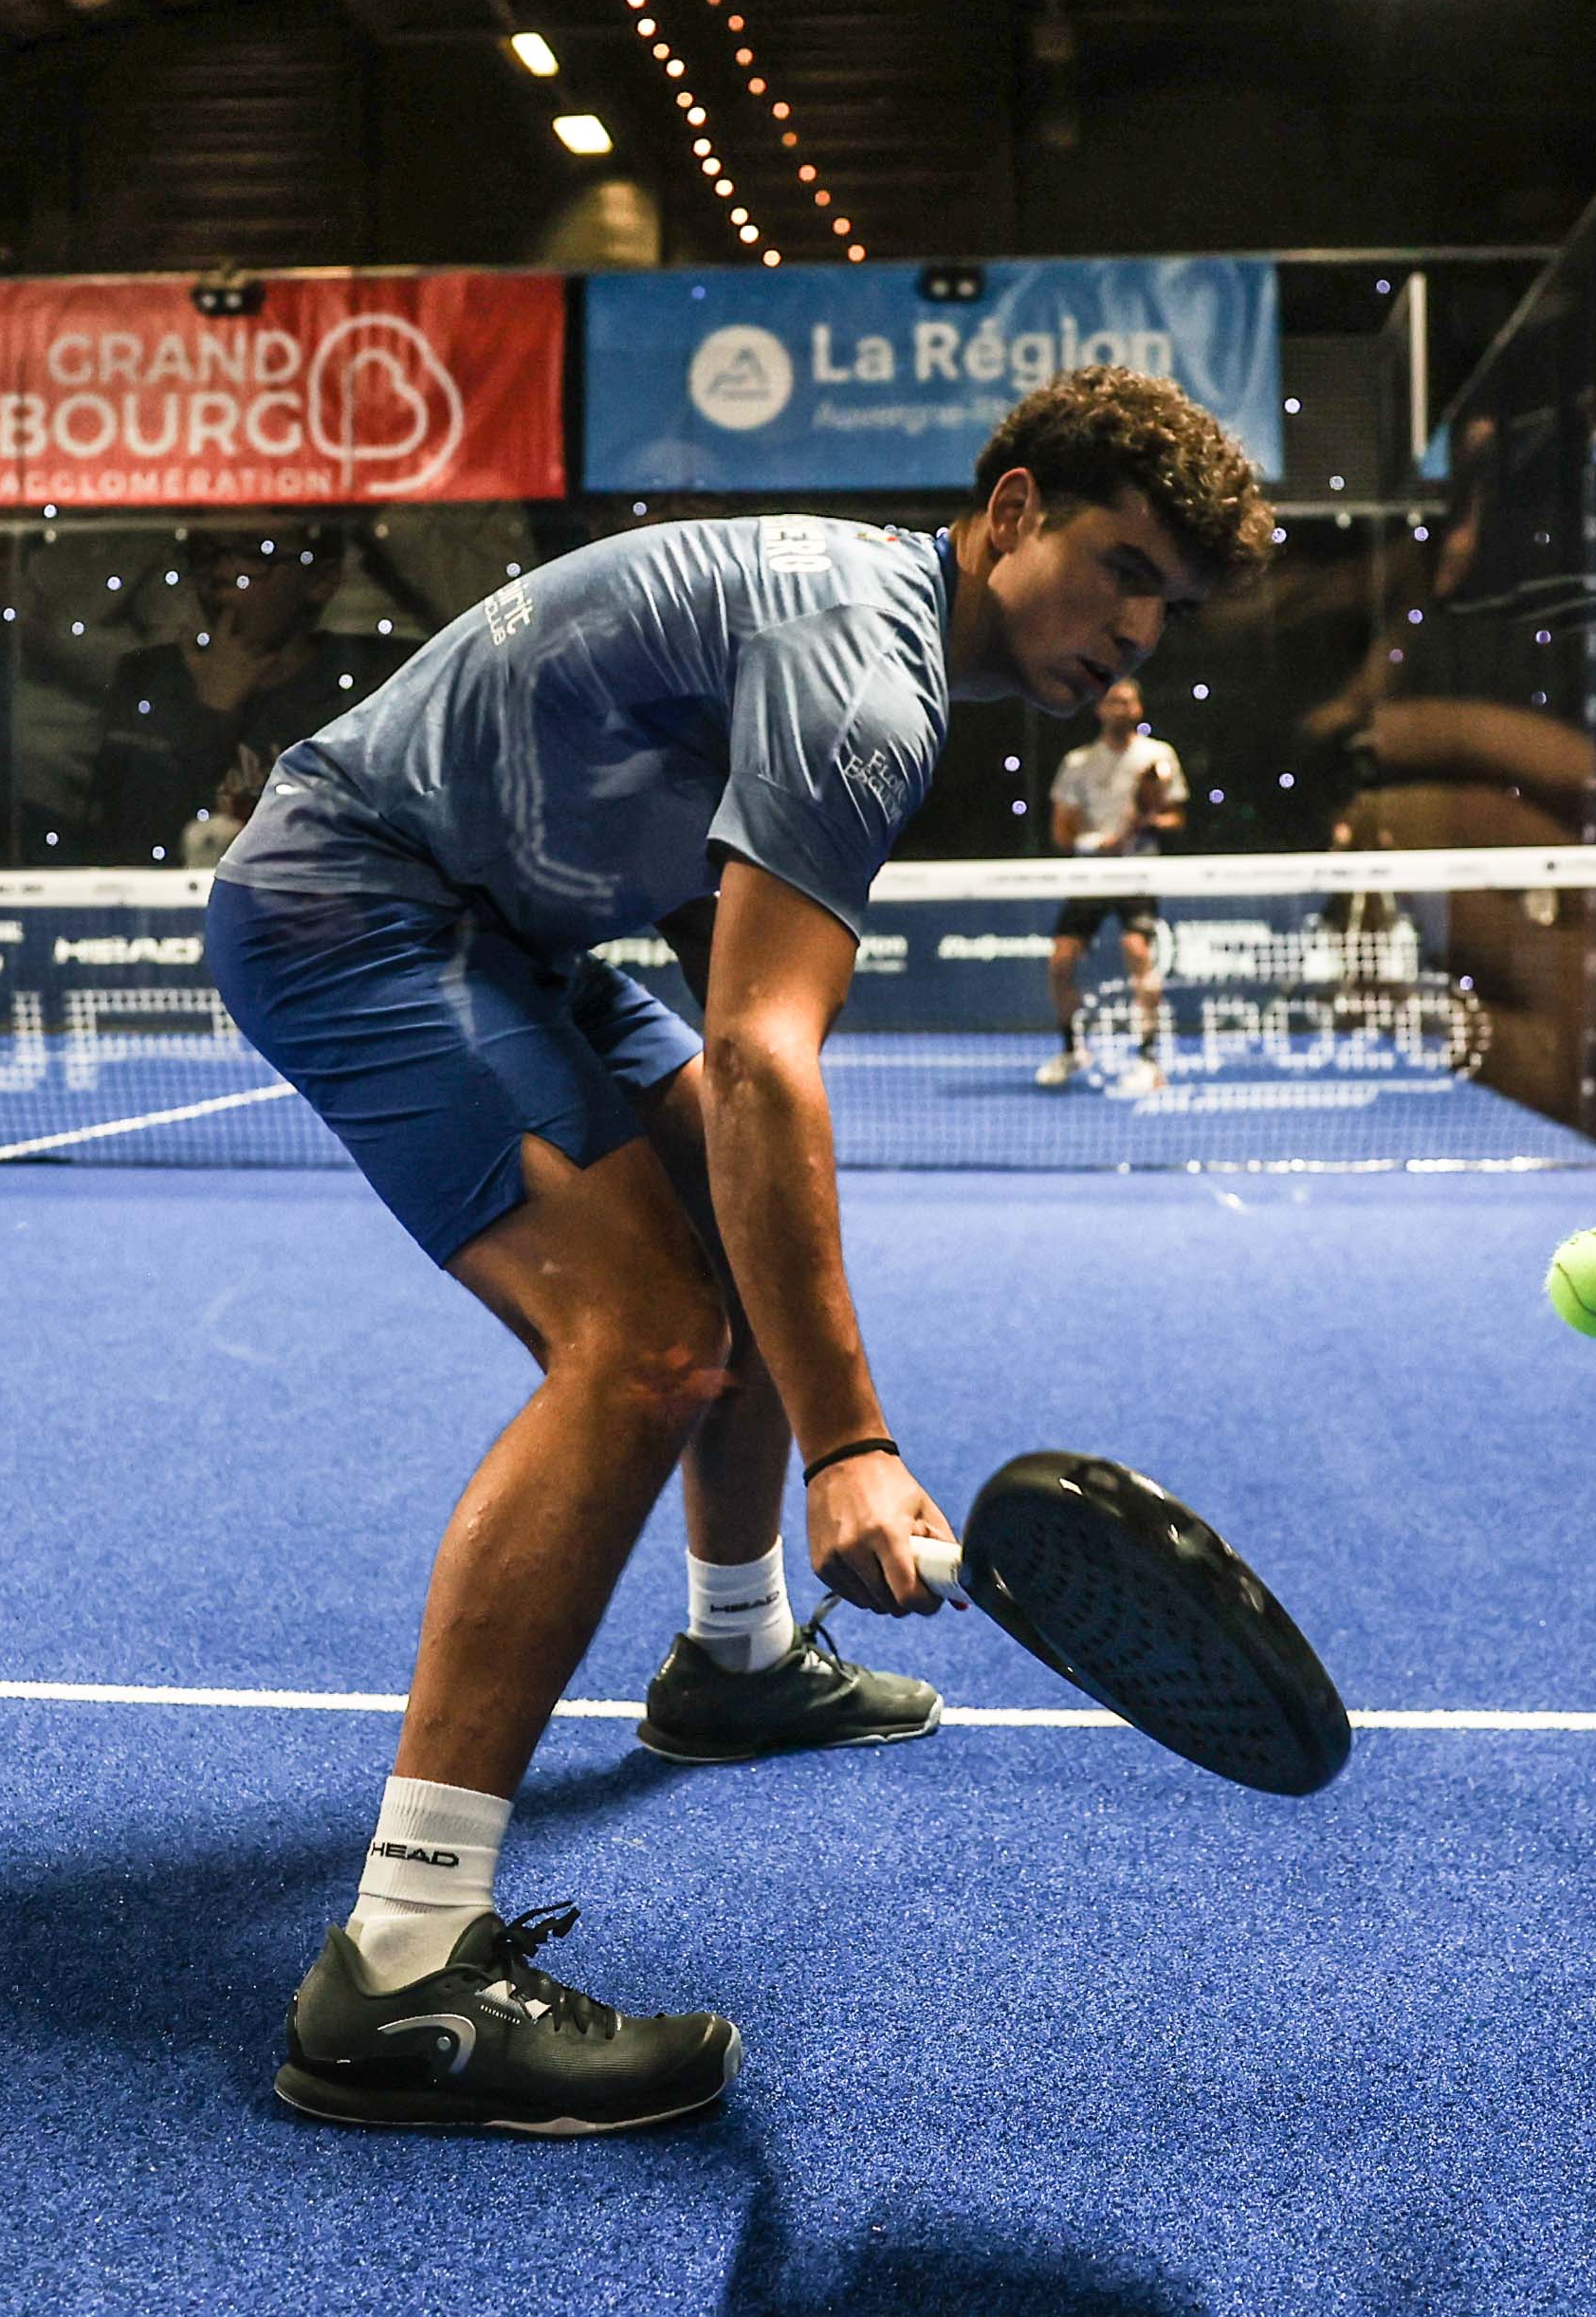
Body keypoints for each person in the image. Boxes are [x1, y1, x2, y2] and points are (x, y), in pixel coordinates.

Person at [205, 365, 1272, 2135]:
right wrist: (850, 1445)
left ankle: (735, 1659)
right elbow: (768, 1053)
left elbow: (741, 1048)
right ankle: (398, 1969)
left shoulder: (861, 628)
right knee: (644, 1343)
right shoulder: (868, 672)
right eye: (1123, 569)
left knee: (745, 1212)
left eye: (1171, 604)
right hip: (357, 898)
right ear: (1012, 512)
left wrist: (798, 1307)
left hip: (506, 931)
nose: (1138, 629)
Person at [82, 526, 375, 865]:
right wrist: (211, 712)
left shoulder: (360, 687)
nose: (221, 572)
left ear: (320, 579)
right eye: (206, 553)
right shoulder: (152, 679)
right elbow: (119, 844)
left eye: (255, 553)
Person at [1037, 677, 1189, 1094]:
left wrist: (1145, 823)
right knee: (1060, 962)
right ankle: (1072, 1050)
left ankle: (1148, 1059)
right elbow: (1061, 833)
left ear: (1139, 708)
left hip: (1138, 873)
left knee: (1137, 951)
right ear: (1098, 708)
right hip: (1090, 875)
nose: (1119, 708)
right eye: (1111, 701)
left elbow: (1176, 817)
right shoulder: (1077, 763)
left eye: (1126, 701)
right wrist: (1096, 844)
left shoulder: (1158, 756)